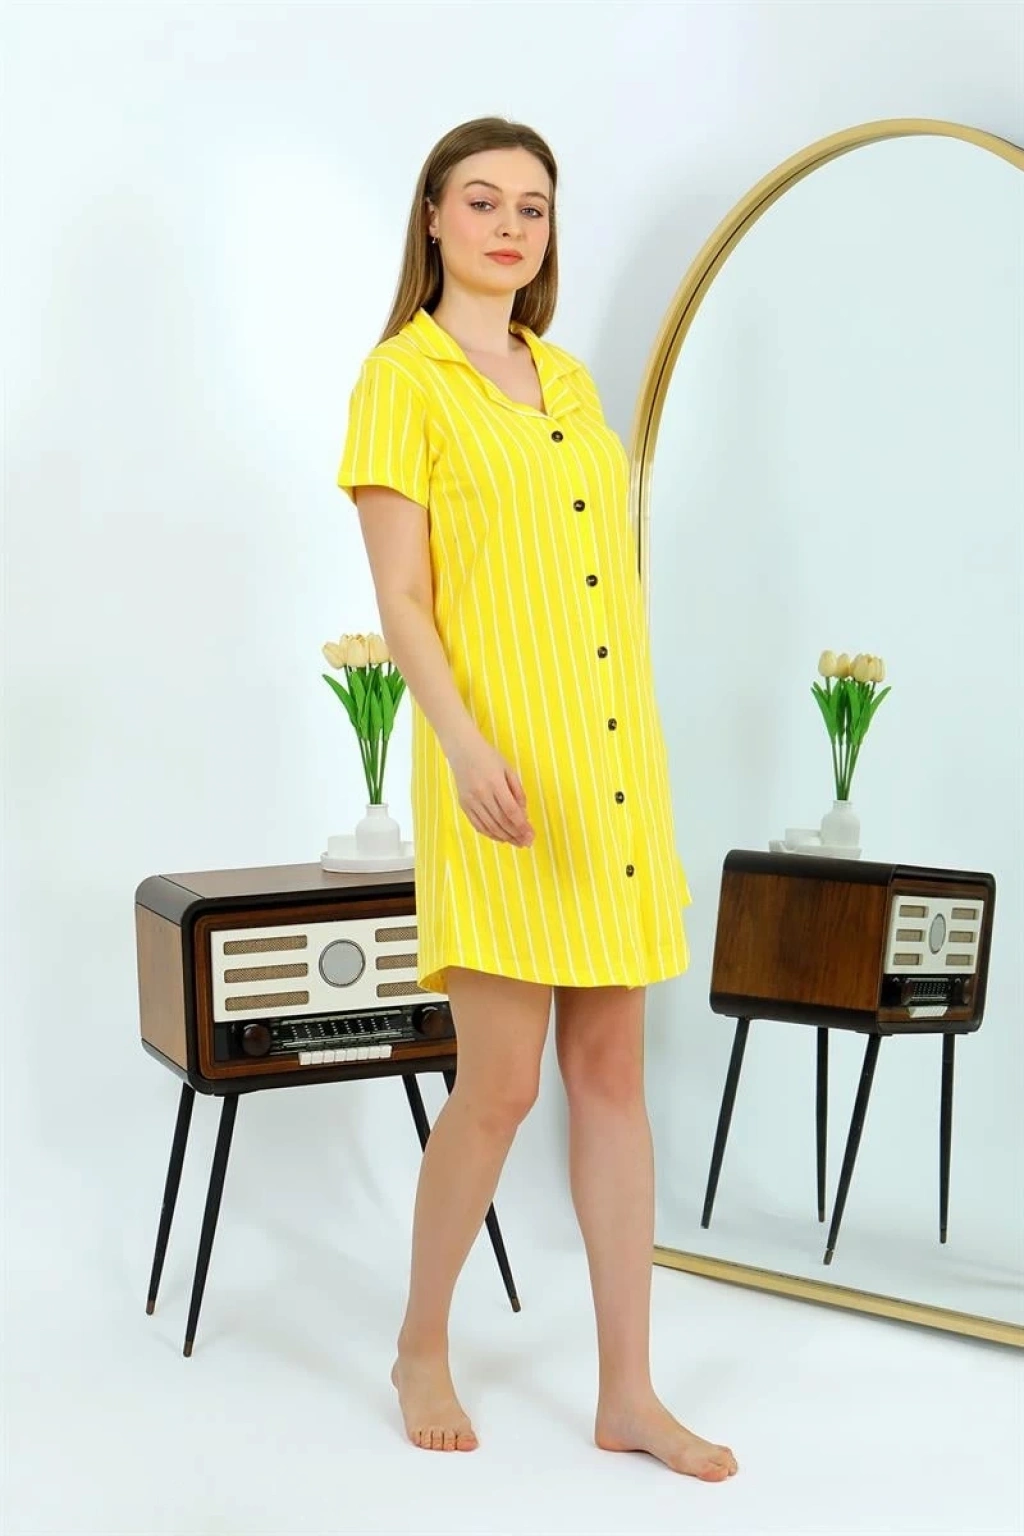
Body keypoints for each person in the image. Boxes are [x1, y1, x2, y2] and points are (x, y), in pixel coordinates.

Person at [337, 116, 737, 1482]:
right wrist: (459, 747)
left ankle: (629, 1391)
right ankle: (420, 1343)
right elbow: (403, 600)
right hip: (496, 776)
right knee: (500, 1086)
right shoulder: (403, 379)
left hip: (610, 778)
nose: (511, 226)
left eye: (534, 207)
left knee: (612, 1077)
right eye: (484, 201)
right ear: (433, 217)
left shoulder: (567, 380)